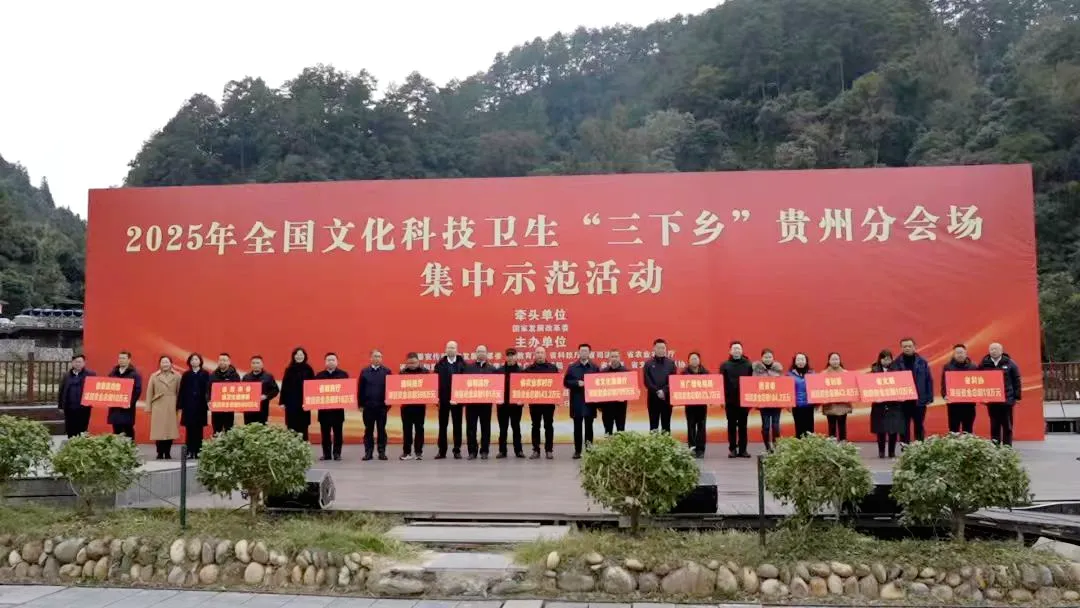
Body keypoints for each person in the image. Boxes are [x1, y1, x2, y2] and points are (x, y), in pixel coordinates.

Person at [889, 337, 933, 443]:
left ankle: (920, 448)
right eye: (905, 346)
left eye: (909, 346)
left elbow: (928, 380)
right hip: (903, 401)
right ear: (901, 348)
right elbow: (892, 382)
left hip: (919, 399)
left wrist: (929, 397)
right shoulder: (895, 363)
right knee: (904, 427)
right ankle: (905, 449)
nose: (907, 348)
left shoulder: (922, 362)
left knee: (919, 425)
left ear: (914, 347)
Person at [980, 342, 1023, 446]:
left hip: (1006, 400)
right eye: (991, 349)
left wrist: (1017, 396)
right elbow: (978, 380)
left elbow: (1016, 380)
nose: (993, 351)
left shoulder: (1010, 363)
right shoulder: (984, 364)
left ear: (1001, 351)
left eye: (996, 349)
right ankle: (995, 447)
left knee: (1007, 425)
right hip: (991, 400)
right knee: (994, 424)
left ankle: (1007, 448)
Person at [564, 343, 600, 459]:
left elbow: (599, 383)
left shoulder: (595, 367)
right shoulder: (572, 367)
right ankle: (577, 451)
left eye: (586, 351)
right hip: (577, 402)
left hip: (590, 402)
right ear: (578, 352)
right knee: (577, 428)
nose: (583, 353)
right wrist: (576, 383)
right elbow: (566, 382)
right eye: (582, 351)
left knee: (589, 428)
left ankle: (589, 450)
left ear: (589, 353)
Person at [720, 341, 753, 458]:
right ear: (730, 351)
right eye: (734, 349)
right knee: (731, 426)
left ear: (742, 351)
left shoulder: (748, 365)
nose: (736, 351)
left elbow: (752, 383)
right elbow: (721, 383)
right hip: (730, 401)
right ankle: (733, 449)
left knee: (743, 426)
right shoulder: (725, 365)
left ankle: (743, 449)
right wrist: (722, 399)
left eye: (738, 348)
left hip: (744, 401)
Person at [434, 341, 467, 460]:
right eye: (449, 347)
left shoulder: (463, 364)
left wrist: (462, 398)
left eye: (453, 348)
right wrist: (436, 397)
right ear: (445, 349)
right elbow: (435, 382)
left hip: (457, 400)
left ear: (457, 350)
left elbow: (466, 383)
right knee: (442, 426)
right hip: (443, 400)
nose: (451, 349)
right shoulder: (439, 364)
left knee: (457, 426)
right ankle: (442, 451)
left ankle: (457, 450)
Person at [464, 345, 497, 460]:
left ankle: (484, 451)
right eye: (479, 351)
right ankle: (472, 451)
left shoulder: (492, 369)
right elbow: (463, 384)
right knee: (471, 428)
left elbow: (496, 386)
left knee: (485, 428)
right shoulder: (468, 368)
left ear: (487, 353)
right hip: (471, 404)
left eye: (483, 351)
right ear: (475, 353)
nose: (481, 353)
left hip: (486, 404)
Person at [526, 346, 559, 459]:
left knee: (548, 426)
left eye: (541, 353)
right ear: (534, 355)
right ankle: (536, 450)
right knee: (535, 426)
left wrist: (558, 398)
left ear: (545, 354)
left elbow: (557, 385)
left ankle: (549, 450)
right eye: (538, 353)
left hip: (548, 404)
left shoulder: (552, 368)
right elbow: (524, 386)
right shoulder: (529, 369)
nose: (539, 355)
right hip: (534, 403)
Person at [870, 349, 904, 458]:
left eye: (888, 359)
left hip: (893, 404)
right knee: (881, 429)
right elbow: (869, 386)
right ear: (880, 359)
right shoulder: (874, 370)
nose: (886, 361)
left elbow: (901, 384)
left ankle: (891, 451)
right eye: (884, 359)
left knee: (893, 429)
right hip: (879, 404)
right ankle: (881, 451)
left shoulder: (897, 369)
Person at [359, 349, 392, 461]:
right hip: (368, 407)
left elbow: (390, 389)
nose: (377, 358)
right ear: (371, 358)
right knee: (368, 430)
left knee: (381, 430)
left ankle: (381, 452)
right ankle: (368, 452)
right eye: (375, 356)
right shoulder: (364, 372)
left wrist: (388, 404)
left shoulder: (387, 371)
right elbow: (361, 388)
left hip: (381, 407)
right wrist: (360, 404)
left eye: (379, 356)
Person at [315, 353, 349, 461]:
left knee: (338, 433)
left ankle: (337, 453)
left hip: (337, 411)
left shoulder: (343, 375)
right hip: (324, 411)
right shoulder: (319, 376)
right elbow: (314, 392)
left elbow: (347, 391)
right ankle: (326, 454)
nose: (330, 362)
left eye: (333, 360)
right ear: (325, 362)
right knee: (325, 434)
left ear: (337, 362)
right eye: (328, 360)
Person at [146, 355, 181, 459]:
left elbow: (179, 392)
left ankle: (168, 452)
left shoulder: (177, 376)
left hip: (171, 404)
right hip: (158, 404)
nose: (165, 364)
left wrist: (179, 406)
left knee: (170, 430)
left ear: (171, 364)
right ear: (160, 364)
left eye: (167, 362)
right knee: (158, 430)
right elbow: (149, 392)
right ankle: (159, 452)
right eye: (163, 362)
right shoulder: (154, 376)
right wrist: (148, 407)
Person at [177, 353, 210, 458]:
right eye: (192, 360)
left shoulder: (205, 374)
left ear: (200, 361)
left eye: (196, 359)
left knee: (199, 429)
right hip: (189, 405)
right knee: (189, 429)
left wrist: (208, 402)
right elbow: (182, 390)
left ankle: (198, 451)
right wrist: (180, 404)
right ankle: (189, 451)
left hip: (201, 405)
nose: (194, 361)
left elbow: (208, 389)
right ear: (189, 362)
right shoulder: (186, 375)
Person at [399, 352, 430, 460]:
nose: (412, 365)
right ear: (406, 363)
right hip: (406, 407)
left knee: (419, 429)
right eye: (410, 363)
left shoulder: (425, 372)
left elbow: (430, 387)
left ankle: (418, 452)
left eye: (414, 363)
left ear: (418, 362)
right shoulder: (402, 373)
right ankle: (407, 452)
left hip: (419, 407)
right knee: (406, 430)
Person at [752, 349, 784, 451]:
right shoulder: (756, 371)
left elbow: (783, 385)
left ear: (773, 358)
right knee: (766, 427)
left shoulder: (778, 370)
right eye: (765, 357)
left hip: (776, 403)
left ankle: (776, 446)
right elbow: (753, 385)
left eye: (770, 357)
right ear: (761, 358)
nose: (768, 359)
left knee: (775, 426)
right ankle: (767, 447)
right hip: (763, 403)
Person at [280, 347, 315, 441]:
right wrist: (282, 402)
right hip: (291, 402)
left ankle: (303, 447)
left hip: (304, 403)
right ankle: (292, 447)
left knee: (303, 426)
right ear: (294, 356)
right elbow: (284, 386)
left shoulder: (308, 369)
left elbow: (313, 387)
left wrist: (310, 402)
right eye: (297, 355)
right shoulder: (289, 369)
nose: (299, 356)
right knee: (291, 426)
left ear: (304, 356)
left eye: (301, 355)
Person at [942, 344, 978, 433]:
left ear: (966, 353)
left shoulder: (973, 367)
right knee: (953, 430)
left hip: (969, 404)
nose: (960, 355)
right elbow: (944, 383)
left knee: (968, 430)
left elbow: (978, 384)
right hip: (954, 405)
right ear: (954, 354)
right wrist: (944, 395)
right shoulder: (948, 367)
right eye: (957, 353)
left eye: (961, 352)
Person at [643, 339, 676, 432]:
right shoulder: (648, 364)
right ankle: (653, 442)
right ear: (654, 348)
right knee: (653, 425)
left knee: (666, 425)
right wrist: (657, 391)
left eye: (663, 348)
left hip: (667, 398)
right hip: (653, 398)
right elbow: (647, 381)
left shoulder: (671, 363)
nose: (661, 350)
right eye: (659, 348)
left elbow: (673, 380)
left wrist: (664, 391)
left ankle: (666, 441)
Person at [497, 348, 525, 459]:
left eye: (512, 355)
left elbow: (524, 388)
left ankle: (519, 450)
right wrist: (496, 398)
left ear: (516, 356)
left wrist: (522, 400)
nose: (510, 357)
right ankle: (502, 451)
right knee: (503, 429)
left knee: (516, 428)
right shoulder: (499, 371)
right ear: (505, 357)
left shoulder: (521, 371)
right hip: (502, 405)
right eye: (508, 355)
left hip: (516, 406)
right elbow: (495, 387)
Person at [107, 351, 142, 439]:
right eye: (120, 358)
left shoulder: (134, 374)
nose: (121, 360)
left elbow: (137, 391)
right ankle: (117, 447)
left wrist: (130, 402)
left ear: (129, 360)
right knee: (116, 429)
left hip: (127, 408)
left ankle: (130, 446)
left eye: (123, 358)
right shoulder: (113, 373)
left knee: (128, 429)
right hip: (115, 407)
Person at [681, 352, 710, 458]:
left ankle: (701, 449)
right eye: (692, 359)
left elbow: (711, 386)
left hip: (702, 405)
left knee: (701, 427)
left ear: (699, 360)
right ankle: (692, 448)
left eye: (696, 358)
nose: (694, 360)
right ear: (688, 361)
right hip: (690, 405)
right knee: (691, 426)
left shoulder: (705, 372)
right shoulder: (684, 373)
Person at [58, 354, 94, 438]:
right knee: (70, 428)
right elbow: (62, 391)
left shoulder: (90, 374)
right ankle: (71, 442)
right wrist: (60, 406)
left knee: (82, 429)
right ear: (72, 363)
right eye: (76, 362)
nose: (78, 364)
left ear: (84, 363)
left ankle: (81, 444)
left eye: (80, 362)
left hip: (84, 408)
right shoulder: (66, 375)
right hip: (69, 407)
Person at [821, 352, 852, 441]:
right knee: (831, 426)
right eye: (833, 359)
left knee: (842, 426)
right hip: (830, 405)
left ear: (839, 360)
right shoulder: (823, 374)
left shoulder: (846, 374)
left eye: (837, 359)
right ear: (829, 361)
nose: (835, 361)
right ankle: (832, 446)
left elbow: (850, 388)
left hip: (842, 404)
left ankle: (843, 444)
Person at [208, 353, 241, 434]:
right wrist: (208, 400)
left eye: (224, 360)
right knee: (216, 430)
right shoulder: (213, 375)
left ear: (229, 362)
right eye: (220, 360)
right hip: (216, 408)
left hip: (228, 408)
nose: (222, 362)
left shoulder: (235, 375)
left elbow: (238, 391)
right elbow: (208, 390)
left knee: (228, 430)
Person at [242, 355, 279, 426]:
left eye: (258, 363)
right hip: (249, 410)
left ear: (262, 365)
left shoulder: (268, 376)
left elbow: (275, 390)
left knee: (262, 429)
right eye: (253, 363)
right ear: (251, 365)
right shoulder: (246, 377)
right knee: (248, 429)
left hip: (262, 409)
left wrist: (266, 396)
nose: (255, 365)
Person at [598, 350, 628, 435]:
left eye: (616, 356)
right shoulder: (603, 372)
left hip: (620, 406)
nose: (614, 358)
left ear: (619, 358)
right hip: (607, 407)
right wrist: (599, 405)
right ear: (609, 358)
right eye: (612, 356)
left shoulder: (626, 372)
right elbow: (599, 389)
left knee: (621, 431)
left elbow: (630, 389)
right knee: (608, 431)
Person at [789, 353, 813, 438]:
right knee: (799, 428)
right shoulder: (789, 375)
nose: (800, 361)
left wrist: (817, 403)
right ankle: (799, 445)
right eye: (798, 359)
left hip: (809, 405)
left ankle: (810, 445)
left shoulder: (812, 374)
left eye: (802, 359)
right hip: (797, 406)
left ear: (806, 361)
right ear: (795, 362)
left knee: (809, 429)